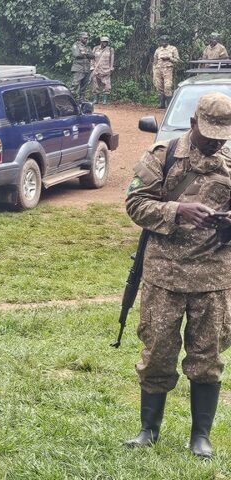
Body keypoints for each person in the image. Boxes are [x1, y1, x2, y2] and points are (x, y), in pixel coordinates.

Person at [123, 92, 231, 459]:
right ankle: (148, 431)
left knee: (208, 358)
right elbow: (134, 204)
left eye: (223, 134)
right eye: (210, 133)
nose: (216, 141)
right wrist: (177, 209)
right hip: (164, 276)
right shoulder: (163, 156)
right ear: (194, 123)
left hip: (213, 278)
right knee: (157, 354)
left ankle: (201, 436)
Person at [153, 36, 181, 109]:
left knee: (167, 86)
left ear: (168, 41)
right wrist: (154, 70)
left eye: (165, 41)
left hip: (168, 70)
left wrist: (169, 58)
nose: (163, 42)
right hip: (158, 70)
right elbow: (155, 61)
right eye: (162, 41)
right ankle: (161, 104)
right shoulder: (158, 50)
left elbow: (177, 60)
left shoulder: (173, 49)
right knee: (159, 86)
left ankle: (169, 105)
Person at [70, 32, 95, 100]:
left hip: (86, 69)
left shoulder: (88, 47)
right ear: (80, 38)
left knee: (84, 86)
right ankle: (72, 99)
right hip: (78, 69)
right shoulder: (76, 45)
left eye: (87, 38)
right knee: (75, 85)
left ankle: (82, 100)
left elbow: (92, 56)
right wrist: (87, 54)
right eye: (84, 38)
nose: (86, 39)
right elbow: (77, 55)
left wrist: (85, 53)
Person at [92, 36, 115, 105]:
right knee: (95, 85)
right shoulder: (95, 48)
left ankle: (105, 100)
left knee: (107, 86)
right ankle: (95, 100)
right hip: (96, 70)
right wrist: (92, 67)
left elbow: (112, 59)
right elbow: (92, 59)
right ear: (101, 42)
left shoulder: (110, 49)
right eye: (104, 41)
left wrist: (111, 68)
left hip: (106, 70)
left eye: (106, 42)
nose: (105, 43)